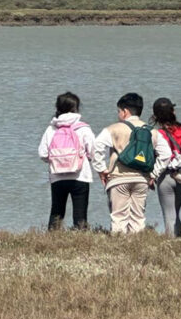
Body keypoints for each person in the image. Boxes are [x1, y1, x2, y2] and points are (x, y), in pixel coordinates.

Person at [91, 92, 171, 235]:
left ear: (125, 111)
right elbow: (166, 154)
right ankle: (136, 249)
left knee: (118, 217)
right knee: (138, 218)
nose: (118, 114)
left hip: (118, 178)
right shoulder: (151, 131)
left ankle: (119, 250)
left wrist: (101, 169)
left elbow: (97, 146)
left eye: (119, 111)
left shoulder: (113, 129)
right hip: (142, 180)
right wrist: (154, 173)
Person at [37, 91, 96, 230]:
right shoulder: (83, 128)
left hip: (57, 176)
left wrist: (55, 161)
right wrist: (86, 158)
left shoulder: (51, 128)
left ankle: (52, 240)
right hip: (80, 175)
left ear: (57, 108)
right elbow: (93, 150)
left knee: (56, 212)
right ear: (76, 108)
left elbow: (43, 153)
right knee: (80, 214)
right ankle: (81, 240)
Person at [151, 97, 181, 237]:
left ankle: (171, 246)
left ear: (156, 116)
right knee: (176, 212)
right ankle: (180, 240)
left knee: (169, 215)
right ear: (173, 111)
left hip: (166, 176)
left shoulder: (158, 134)